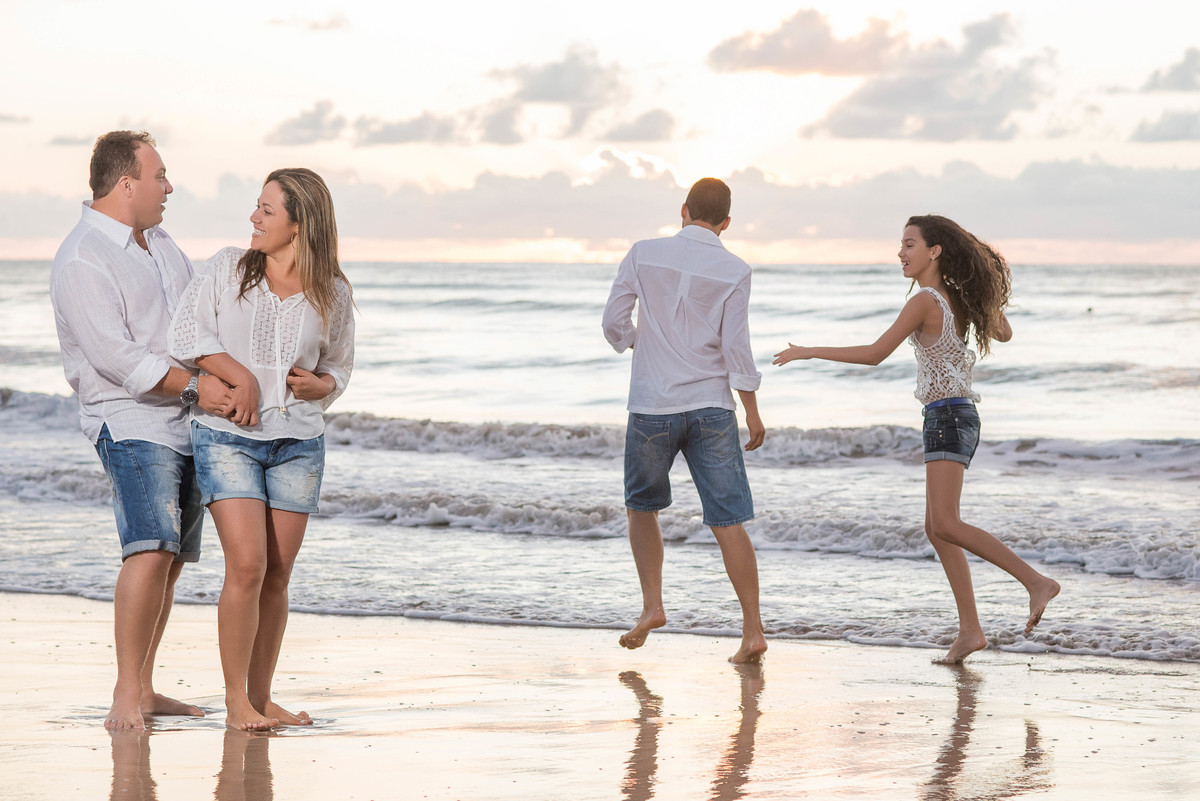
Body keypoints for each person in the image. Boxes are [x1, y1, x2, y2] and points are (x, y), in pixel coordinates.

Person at [772, 214, 1061, 663]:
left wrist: (809, 349)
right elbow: (1004, 331)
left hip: (948, 416)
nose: (901, 253)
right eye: (900, 245)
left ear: (934, 251)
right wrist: (976, 291)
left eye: (910, 244)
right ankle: (970, 631)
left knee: (946, 524)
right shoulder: (955, 298)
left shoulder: (926, 300)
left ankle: (1035, 582)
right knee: (937, 527)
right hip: (955, 415)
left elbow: (873, 355)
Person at [50, 130, 232, 730]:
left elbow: (194, 320)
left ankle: (146, 687)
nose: (169, 187)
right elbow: (118, 360)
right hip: (128, 420)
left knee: (172, 558)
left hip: (185, 421)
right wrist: (200, 386)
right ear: (126, 182)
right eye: (159, 176)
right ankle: (126, 694)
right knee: (150, 546)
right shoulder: (82, 257)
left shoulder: (159, 242)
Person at [169, 168, 354, 729]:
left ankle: (261, 696)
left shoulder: (334, 292)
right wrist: (239, 376)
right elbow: (184, 336)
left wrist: (326, 387)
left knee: (277, 574)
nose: (254, 218)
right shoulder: (228, 267)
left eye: (267, 210)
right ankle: (234, 702)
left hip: (299, 443)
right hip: (229, 437)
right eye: (257, 207)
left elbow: (339, 368)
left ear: (301, 224)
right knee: (246, 566)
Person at [602, 177, 767, 664]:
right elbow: (736, 346)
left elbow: (613, 320)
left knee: (642, 507)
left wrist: (638, 343)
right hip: (712, 407)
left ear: (684, 210)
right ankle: (752, 631)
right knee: (728, 520)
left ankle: (653, 606)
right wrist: (752, 409)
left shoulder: (643, 253)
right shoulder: (736, 269)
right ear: (727, 223)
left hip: (652, 403)